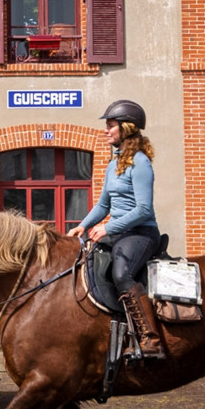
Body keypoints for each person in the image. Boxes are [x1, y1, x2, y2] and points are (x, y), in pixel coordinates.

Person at [68, 100, 167, 360]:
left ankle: (150, 339)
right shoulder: (114, 164)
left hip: (141, 233)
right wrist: (83, 225)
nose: (106, 130)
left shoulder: (140, 162)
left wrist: (108, 227)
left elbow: (144, 209)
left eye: (110, 126)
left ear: (126, 129)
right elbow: (103, 204)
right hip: (119, 233)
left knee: (121, 273)